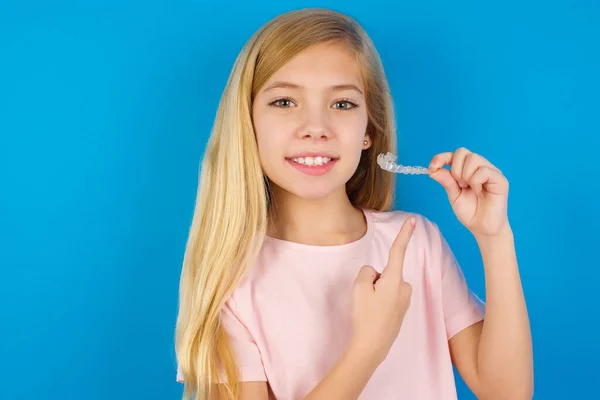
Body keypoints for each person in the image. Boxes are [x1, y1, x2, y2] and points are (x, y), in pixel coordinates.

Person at [174, 7, 533, 400]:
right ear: (249, 122)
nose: (316, 128)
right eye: (284, 102)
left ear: (368, 131)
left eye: (342, 104)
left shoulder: (417, 242)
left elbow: (509, 393)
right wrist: (368, 348)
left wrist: (495, 237)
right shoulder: (231, 282)